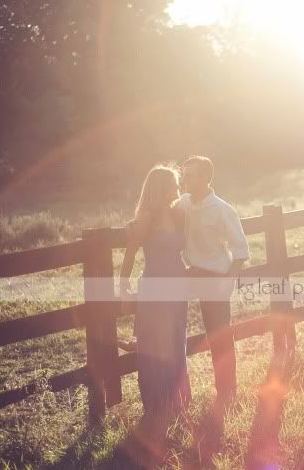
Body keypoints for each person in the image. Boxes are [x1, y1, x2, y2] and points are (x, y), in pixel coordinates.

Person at [118, 165, 191, 427]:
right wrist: (123, 285)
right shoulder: (146, 217)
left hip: (178, 284)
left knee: (175, 341)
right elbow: (130, 254)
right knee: (154, 344)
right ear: (162, 187)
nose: (178, 188)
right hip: (154, 286)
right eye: (173, 184)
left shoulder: (178, 213)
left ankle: (178, 401)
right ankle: (156, 404)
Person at [175, 155, 249, 410]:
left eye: (191, 174)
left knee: (218, 336)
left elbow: (240, 250)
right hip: (187, 273)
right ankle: (175, 395)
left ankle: (227, 392)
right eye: (184, 174)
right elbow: (160, 213)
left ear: (206, 178)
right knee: (173, 331)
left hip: (214, 276)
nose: (185, 178)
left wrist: (227, 282)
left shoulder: (222, 209)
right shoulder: (183, 203)